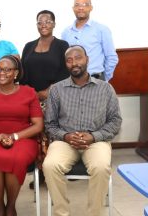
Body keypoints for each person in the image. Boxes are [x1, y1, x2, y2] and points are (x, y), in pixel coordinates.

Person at [42, 45, 122, 216]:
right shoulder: (56, 89)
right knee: (49, 165)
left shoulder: (105, 88)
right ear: (66, 64)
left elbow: (115, 121)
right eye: (69, 60)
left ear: (87, 59)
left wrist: (93, 136)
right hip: (64, 141)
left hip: (96, 141)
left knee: (101, 167)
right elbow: (50, 124)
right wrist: (66, 136)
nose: (74, 63)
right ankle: (62, 213)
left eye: (78, 58)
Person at [0, 55, 43, 216]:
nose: (2, 73)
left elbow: (38, 125)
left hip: (23, 139)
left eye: (7, 69)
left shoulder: (29, 92)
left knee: (17, 158)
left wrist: (14, 136)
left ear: (16, 73)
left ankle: (11, 206)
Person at [20, 10, 69, 189]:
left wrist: (49, 91)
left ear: (54, 24)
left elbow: (66, 71)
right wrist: (30, 93)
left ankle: (53, 173)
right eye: (40, 22)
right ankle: (39, 173)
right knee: (35, 137)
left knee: (51, 135)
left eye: (48, 21)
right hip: (31, 99)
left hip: (55, 98)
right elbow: (22, 73)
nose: (44, 25)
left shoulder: (63, 45)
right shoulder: (28, 46)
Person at [61, 0, 118, 81]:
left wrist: (104, 79)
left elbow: (111, 57)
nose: (81, 8)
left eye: (85, 5)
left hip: (96, 79)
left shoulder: (101, 29)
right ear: (73, 8)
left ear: (91, 8)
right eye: (77, 5)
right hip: (72, 81)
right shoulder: (66, 32)